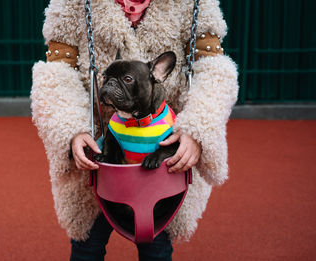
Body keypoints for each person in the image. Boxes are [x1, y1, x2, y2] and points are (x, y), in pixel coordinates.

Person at [30, 0, 239, 260]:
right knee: (87, 247)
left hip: (163, 154)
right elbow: (56, 74)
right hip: (95, 152)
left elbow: (214, 71)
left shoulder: (194, 3)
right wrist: (71, 127)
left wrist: (197, 128)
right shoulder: (72, 3)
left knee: (157, 250)